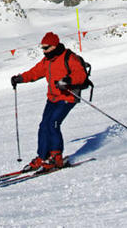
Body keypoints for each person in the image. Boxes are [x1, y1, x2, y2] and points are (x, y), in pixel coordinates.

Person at [11, 31, 87, 170]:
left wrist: (67, 81)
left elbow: (80, 74)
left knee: (53, 124)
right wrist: (20, 78)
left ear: (54, 46)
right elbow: (35, 72)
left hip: (67, 97)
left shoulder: (69, 58)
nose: (44, 51)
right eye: (43, 48)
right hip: (52, 98)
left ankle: (56, 157)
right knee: (44, 125)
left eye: (46, 48)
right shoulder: (47, 61)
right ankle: (43, 157)